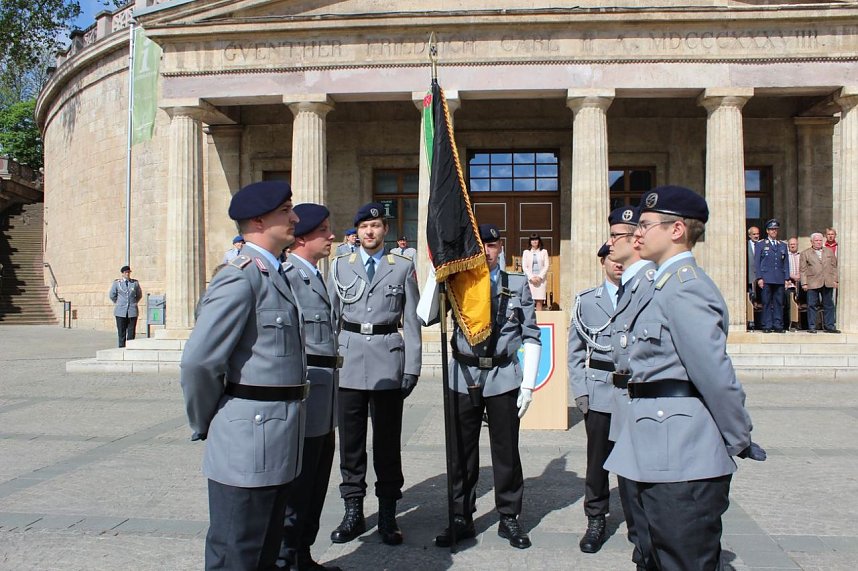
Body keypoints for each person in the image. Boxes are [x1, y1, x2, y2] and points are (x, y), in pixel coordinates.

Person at [605, 185, 765, 571]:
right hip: (651, 447)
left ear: (677, 230)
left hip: (682, 454)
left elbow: (714, 375)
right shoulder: (660, 284)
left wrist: (738, 436)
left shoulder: (686, 288)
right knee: (654, 557)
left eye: (645, 225)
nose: (636, 233)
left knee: (684, 560)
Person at [180, 180, 307, 571]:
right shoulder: (240, 276)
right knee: (238, 552)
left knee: (263, 553)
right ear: (258, 220)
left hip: (278, 435)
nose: (295, 217)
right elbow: (199, 362)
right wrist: (207, 419)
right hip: (247, 437)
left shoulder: (275, 273)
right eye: (286, 210)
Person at [427, 223, 541, 550]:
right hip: (463, 376)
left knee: (506, 452)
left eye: (492, 246)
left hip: (503, 375)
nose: (487, 253)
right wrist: (438, 273)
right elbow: (426, 316)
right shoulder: (456, 283)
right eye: (481, 247)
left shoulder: (516, 284)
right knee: (460, 454)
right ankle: (460, 516)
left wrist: (529, 385)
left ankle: (509, 516)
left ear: (500, 247)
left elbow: (531, 334)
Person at [328, 202, 422, 546]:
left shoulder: (402, 267)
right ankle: (353, 510)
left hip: (387, 359)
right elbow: (330, 318)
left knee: (386, 444)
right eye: (365, 227)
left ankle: (387, 514)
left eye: (377, 226)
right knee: (350, 444)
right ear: (357, 231)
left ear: (386, 230)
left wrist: (412, 366)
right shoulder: (340, 266)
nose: (370, 232)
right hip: (349, 360)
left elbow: (410, 321)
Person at [277, 203, 342, 571]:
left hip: (325, 399)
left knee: (317, 485)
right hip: (305, 401)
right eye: (324, 231)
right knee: (298, 489)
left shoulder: (317, 275)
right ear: (303, 238)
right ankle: (287, 559)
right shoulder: (288, 276)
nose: (331, 236)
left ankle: (303, 554)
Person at [606, 205, 658, 571]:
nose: (609, 244)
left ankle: (650, 556)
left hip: (649, 407)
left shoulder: (655, 284)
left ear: (635, 241)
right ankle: (643, 552)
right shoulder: (629, 286)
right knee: (631, 494)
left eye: (614, 237)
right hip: (625, 399)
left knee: (649, 501)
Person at [567, 241, 622, 555]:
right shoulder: (587, 301)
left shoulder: (643, 297)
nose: (619, 264)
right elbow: (574, 353)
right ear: (602, 262)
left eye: (622, 258)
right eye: (612, 258)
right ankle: (596, 518)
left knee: (636, 462)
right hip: (599, 391)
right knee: (597, 463)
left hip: (634, 393)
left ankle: (641, 520)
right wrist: (581, 392)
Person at [754, 219, 789, 333]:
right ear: (767, 231)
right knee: (766, 302)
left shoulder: (782, 245)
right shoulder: (761, 244)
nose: (774, 231)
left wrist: (786, 278)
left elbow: (786, 263)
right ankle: (767, 325)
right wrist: (759, 277)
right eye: (772, 229)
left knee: (779, 302)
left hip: (779, 278)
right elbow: (757, 262)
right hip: (766, 278)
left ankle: (778, 324)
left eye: (775, 229)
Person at [800, 232, 840, 333]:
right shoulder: (805, 253)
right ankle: (812, 326)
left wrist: (835, 280)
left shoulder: (829, 251)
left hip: (827, 281)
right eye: (816, 240)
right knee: (812, 305)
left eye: (820, 240)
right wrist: (804, 283)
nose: (818, 242)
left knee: (829, 304)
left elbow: (834, 266)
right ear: (812, 242)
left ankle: (829, 326)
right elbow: (803, 270)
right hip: (812, 282)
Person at [108, 265, 142, 348]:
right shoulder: (117, 283)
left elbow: (139, 295)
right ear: (122, 274)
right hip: (120, 311)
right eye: (126, 272)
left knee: (131, 331)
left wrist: (133, 303)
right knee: (121, 331)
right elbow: (112, 295)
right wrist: (118, 302)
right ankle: (121, 347)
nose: (127, 274)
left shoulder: (134, 283)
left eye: (129, 272)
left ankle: (130, 346)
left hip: (132, 310)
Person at [521, 233, 549, 311]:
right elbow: (524, 266)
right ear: (530, 242)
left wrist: (539, 277)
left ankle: (539, 320)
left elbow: (546, 265)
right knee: (529, 301)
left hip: (541, 280)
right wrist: (531, 277)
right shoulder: (526, 252)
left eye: (536, 240)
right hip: (530, 280)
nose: (534, 241)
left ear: (539, 241)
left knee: (539, 301)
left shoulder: (544, 252)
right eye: (533, 240)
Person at [786, 237, 804, 330]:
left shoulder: (801, 256)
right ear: (788, 246)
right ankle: (791, 323)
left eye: (794, 244)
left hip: (801, 284)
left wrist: (800, 276)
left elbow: (804, 268)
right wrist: (792, 276)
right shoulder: (785, 256)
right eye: (791, 244)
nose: (793, 246)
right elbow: (784, 269)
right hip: (790, 284)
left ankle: (801, 324)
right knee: (791, 304)